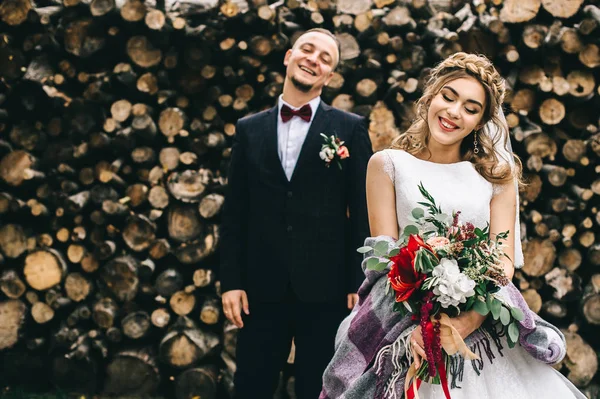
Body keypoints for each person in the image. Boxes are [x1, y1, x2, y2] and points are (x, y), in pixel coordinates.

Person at [320, 53, 586, 398]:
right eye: (449, 96)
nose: (454, 112)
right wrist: (414, 331)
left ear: (480, 122)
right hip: (405, 324)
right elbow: (385, 261)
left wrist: (470, 318)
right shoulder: (387, 165)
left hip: (480, 329)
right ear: (430, 96)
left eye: (471, 108)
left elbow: (502, 261)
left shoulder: (498, 178)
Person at [219, 28, 373, 399]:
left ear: (330, 76)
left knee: (318, 388)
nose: (313, 60)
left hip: (327, 289)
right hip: (260, 286)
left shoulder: (350, 129)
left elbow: (364, 207)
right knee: (251, 385)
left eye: (325, 59)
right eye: (307, 50)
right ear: (289, 56)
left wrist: (359, 281)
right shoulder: (248, 129)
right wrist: (231, 281)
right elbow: (235, 209)